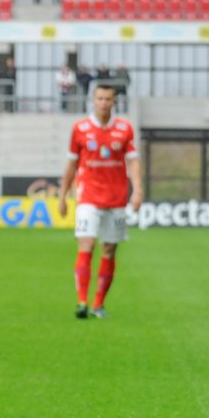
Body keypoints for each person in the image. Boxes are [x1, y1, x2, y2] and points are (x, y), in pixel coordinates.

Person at [57, 84, 142, 319]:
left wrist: (138, 190)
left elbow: (133, 161)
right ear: (93, 101)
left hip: (116, 199)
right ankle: (82, 301)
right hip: (88, 198)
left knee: (109, 250)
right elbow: (71, 164)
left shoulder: (125, 129)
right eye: (100, 98)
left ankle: (98, 304)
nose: (104, 102)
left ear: (114, 102)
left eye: (108, 99)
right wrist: (62, 196)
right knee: (87, 245)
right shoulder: (80, 129)